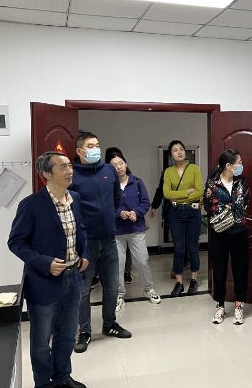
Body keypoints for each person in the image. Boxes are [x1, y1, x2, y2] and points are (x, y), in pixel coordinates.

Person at [8, 151, 90, 388]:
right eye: (62, 167)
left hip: (73, 277)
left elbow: (81, 229)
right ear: (46, 174)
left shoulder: (74, 198)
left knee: (67, 334)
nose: (69, 170)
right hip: (44, 281)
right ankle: (43, 385)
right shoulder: (32, 204)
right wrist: (44, 263)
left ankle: (62, 376)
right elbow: (16, 242)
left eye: (69, 166)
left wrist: (84, 254)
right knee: (42, 339)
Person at [71, 132, 131, 353]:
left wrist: (110, 219)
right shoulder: (73, 175)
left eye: (97, 145)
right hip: (85, 244)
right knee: (83, 291)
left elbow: (116, 198)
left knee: (112, 286)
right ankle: (84, 332)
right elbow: (70, 208)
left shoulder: (109, 170)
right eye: (90, 146)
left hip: (109, 239)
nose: (95, 149)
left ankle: (109, 324)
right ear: (79, 151)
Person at [105, 147, 161, 306]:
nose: (119, 167)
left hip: (136, 229)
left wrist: (136, 212)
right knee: (118, 265)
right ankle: (119, 295)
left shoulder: (136, 182)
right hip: (117, 231)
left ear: (126, 164)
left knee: (142, 261)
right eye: (114, 165)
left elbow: (145, 203)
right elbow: (106, 205)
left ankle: (148, 289)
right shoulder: (109, 185)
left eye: (121, 163)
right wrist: (119, 213)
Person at [203, 149, 250, 324]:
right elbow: (207, 205)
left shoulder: (242, 182)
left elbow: (246, 202)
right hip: (219, 233)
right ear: (229, 165)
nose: (241, 165)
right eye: (239, 162)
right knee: (219, 269)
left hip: (239, 232)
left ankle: (239, 305)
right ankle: (220, 306)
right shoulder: (213, 183)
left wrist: (233, 214)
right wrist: (225, 213)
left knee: (240, 269)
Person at [163, 139, 203, 296]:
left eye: (181, 149)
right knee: (178, 248)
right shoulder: (168, 172)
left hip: (193, 212)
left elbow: (199, 191)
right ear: (171, 155)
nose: (179, 152)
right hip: (176, 213)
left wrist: (177, 196)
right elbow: (167, 193)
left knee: (193, 247)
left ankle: (193, 280)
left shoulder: (194, 169)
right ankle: (179, 282)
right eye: (175, 150)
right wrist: (187, 192)